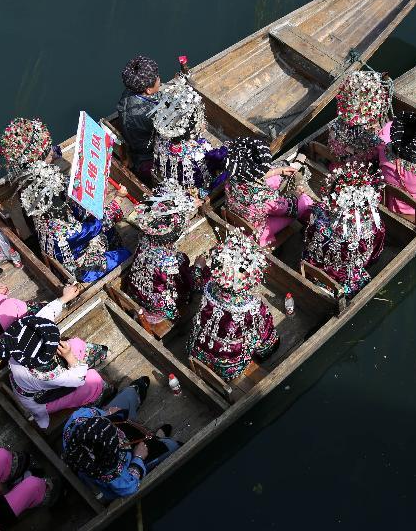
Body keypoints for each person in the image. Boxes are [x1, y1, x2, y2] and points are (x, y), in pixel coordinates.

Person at [0, 287, 112, 430]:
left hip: (28, 383)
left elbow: (46, 314)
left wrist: (64, 298)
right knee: (92, 380)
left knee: (74, 344)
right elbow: (78, 379)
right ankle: (95, 395)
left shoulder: (22, 341)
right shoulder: (46, 375)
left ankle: (87, 359)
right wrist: (69, 356)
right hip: (41, 399)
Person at [62, 376, 179, 500]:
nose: (119, 435)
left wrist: (108, 414)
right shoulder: (111, 474)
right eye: (117, 438)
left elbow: (95, 414)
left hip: (108, 426)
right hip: (132, 457)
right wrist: (138, 458)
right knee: (172, 446)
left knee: (130, 394)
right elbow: (129, 487)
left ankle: (137, 390)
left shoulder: (78, 421)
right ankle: (160, 439)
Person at [188, 228, 278, 381]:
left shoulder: (208, 287)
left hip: (197, 351)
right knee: (267, 339)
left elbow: (197, 281)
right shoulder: (252, 308)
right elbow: (263, 337)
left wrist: (197, 268)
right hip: (227, 367)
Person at [19, 161, 130, 283]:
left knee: (107, 229)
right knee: (124, 254)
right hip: (79, 267)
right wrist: (118, 199)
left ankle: (112, 248)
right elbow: (95, 226)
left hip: (69, 250)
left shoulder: (39, 214)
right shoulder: (65, 232)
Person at [302, 162, 386, 296]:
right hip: (345, 278)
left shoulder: (318, 214)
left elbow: (308, 235)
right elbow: (372, 255)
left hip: (313, 268)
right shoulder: (373, 227)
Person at [128, 179, 202, 324]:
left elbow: (167, 211)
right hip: (157, 303)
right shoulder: (167, 261)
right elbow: (184, 285)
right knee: (185, 266)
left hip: (136, 287)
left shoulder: (147, 236)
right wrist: (198, 269)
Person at [224, 137, 313, 247]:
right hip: (254, 229)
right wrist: (297, 193)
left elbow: (255, 175)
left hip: (236, 214)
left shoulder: (232, 174)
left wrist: (279, 171)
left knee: (275, 177)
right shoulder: (267, 197)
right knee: (305, 202)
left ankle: (294, 165)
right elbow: (289, 209)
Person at [149, 76, 216, 195]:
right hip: (191, 186)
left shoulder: (161, 138)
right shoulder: (196, 151)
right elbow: (211, 164)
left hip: (167, 177)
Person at [326, 70, 394, 166]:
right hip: (352, 169)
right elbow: (378, 159)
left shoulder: (336, 124)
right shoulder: (372, 140)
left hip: (335, 164)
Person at [116, 55, 161, 184]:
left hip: (135, 142)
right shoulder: (146, 113)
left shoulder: (129, 92)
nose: (159, 79)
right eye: (157, 78)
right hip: (146, 155)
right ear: (148, 90)